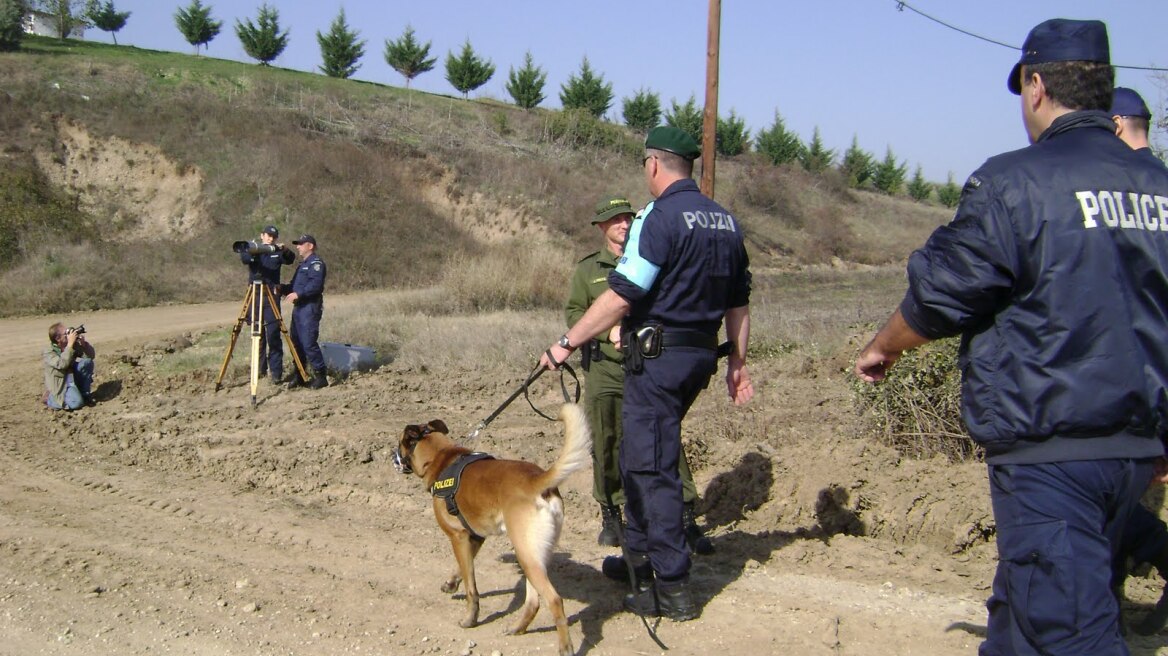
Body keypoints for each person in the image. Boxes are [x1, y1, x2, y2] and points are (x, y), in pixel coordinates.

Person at [854, 19, 1168, 655]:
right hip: (1134, 450)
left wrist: (884, 345)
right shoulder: (1159, 188)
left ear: (1036, 87)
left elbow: (943, 293)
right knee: (1022, 618)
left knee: (1072, 628)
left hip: (1052, 451)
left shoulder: (1015, 183)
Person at [540, 126, 754, 622]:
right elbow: (739, 302)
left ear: (653, 165)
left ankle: (673, 585)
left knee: (651, 466)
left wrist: (566, 342)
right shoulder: (725, 222)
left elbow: (622, 293)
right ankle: (636, 559)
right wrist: (738, 362)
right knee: (642, 455)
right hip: (699, 357)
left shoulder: (658, 216)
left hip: (658, 359)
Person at [565, 195, 713, 554]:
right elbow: (574, 312)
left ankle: (684, 514)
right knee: (607, 439)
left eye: (627, 218)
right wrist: (607, 333)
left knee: (663, 436)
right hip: (605, 368)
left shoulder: (652, 256)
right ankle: (612, 512)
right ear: (602, 227)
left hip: (646, 364)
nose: (623, 225)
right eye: (614, 220)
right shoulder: (588, 270)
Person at [1108, 86, 1168, 636]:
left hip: (1137, 388)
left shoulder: (1118, 195)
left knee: (1117, 511)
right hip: (1155, 383)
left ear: (1119, 124)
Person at [239, 224, 295, 383]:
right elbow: (244, 259)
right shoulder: (255, 249)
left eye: (273, 236)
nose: (271, 238)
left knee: (273, 333)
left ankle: (276, 373)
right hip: (255, 295)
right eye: (268, 235)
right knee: (258, 335)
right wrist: (249, 250)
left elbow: (290, 259)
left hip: (272, 295)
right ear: (262, 236)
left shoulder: (276, 251)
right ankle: (259, 370)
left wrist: (283, 249)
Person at [281, 234, 328, 390]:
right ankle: (300, 375)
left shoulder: (316, 264)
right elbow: (294, 286)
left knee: (308, 342)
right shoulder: (302, 265)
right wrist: (281, 288)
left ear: (310, 246)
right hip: (299, 308)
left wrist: (299, 294)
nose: (298, 247)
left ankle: (321, 375)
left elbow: (316, 286)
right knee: (296, 343)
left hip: (309, 307)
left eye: (301, 244)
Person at [43, 322, 95, 411]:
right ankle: (50, 399)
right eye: (66, 334)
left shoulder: (71, 345)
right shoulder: (49, 352)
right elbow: (62, 364)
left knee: (87, 363)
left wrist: (84, 345)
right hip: (61, 384)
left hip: (71, 377)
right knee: (76, 403)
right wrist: (70, 345)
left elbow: (90, 357)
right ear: (58, 338)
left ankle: (84, 394)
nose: (69, 335)